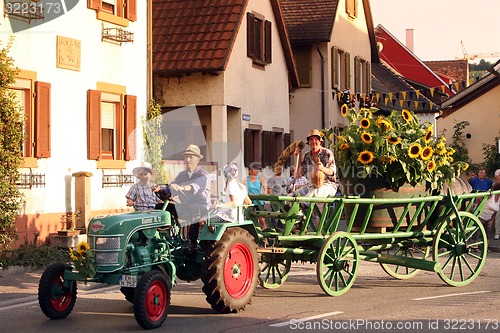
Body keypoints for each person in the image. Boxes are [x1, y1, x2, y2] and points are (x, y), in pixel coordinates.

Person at [169, 144, 211, 246]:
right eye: (186, 157)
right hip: (186, 205)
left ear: (197, 159)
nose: (188, 160)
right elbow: (172, 185)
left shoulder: (204, 175)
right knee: (165, 208)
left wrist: (182, 187)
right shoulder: (182, 175)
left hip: (202, 205)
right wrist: (161, 189)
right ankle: (171, 239)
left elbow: (195, 186)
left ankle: (193, 244)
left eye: (190, 157)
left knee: (194, 210)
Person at [293, 129, 339, 198]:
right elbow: (300, 173)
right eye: (311, 139)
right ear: (308, 142)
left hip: (328, 185)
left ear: (320, 142)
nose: (313, 141)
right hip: (312, 185)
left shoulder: (327, 153)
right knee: (295, 194)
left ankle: (303, 205)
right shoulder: (307, 155)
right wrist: (299, 155)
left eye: (316, 139)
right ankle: (286, 206)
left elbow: (332, 172)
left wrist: (322, 168)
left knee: (313, 194)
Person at [243, 162, 267, 230]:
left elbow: (265, 187)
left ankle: (264, 236)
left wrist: (264, 194)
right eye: (255, 169)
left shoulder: (259, 178)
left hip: (259, 201)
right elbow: (241, 186)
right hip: (250, 201)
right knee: (250, 219)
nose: (257, 171)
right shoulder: (246, 179)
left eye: (258, 169)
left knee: (262, 220)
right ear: (250, 170)